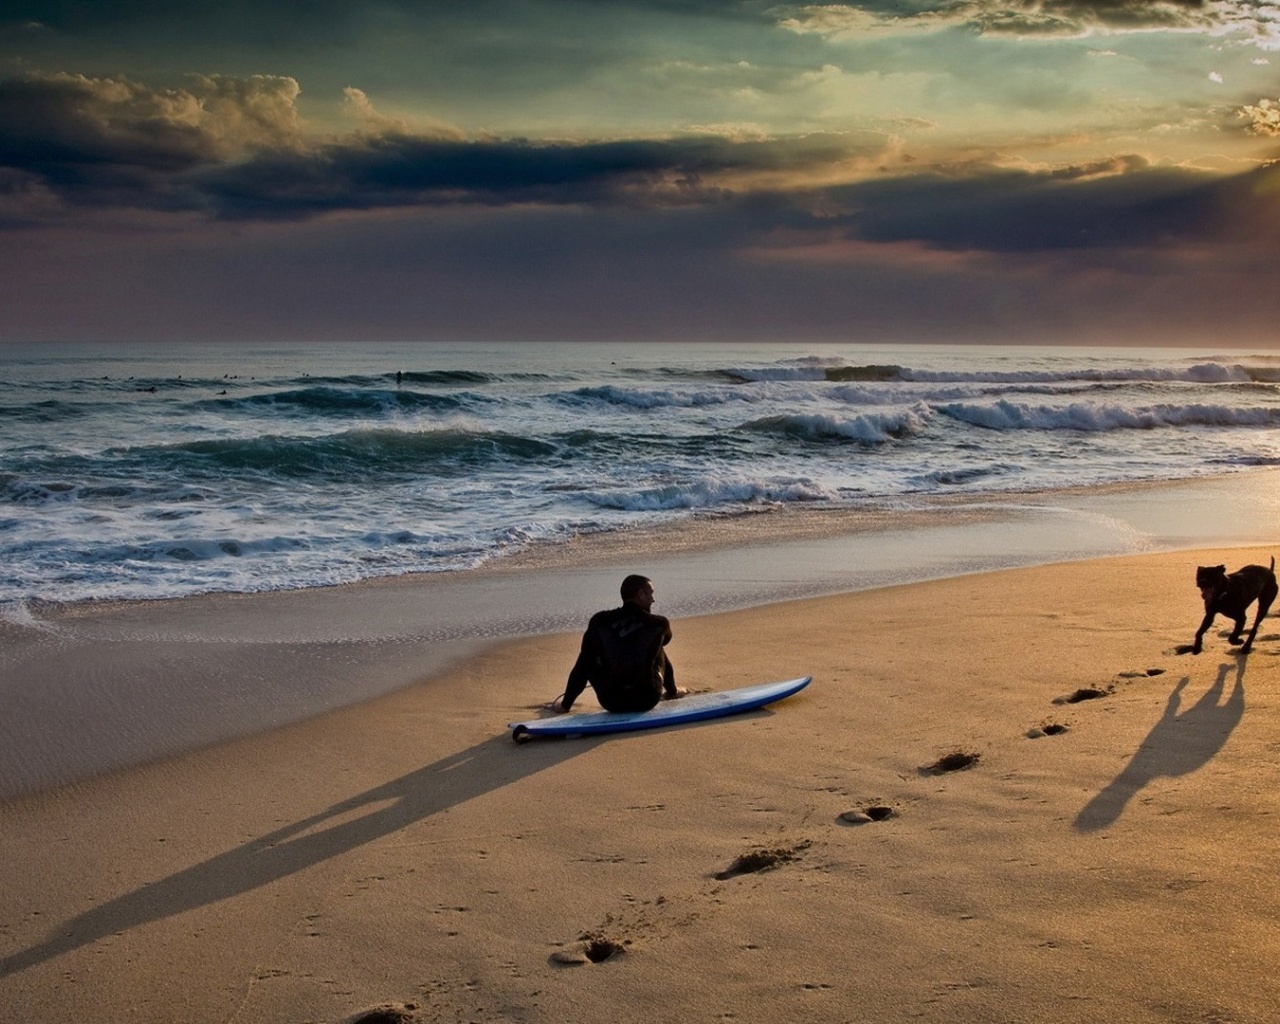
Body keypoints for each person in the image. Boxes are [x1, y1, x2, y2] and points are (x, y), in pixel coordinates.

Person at [554, 574, 686, 713]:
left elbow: (583, 667)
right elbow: (666, 640)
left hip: (612, 701)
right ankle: (672, 692)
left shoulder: (599, 621)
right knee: (657, 644)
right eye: (650, 594)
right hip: (647, 698)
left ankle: (565, 706)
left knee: (588, 656)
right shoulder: (658, 623)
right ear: (641, 594)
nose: (653, 599)